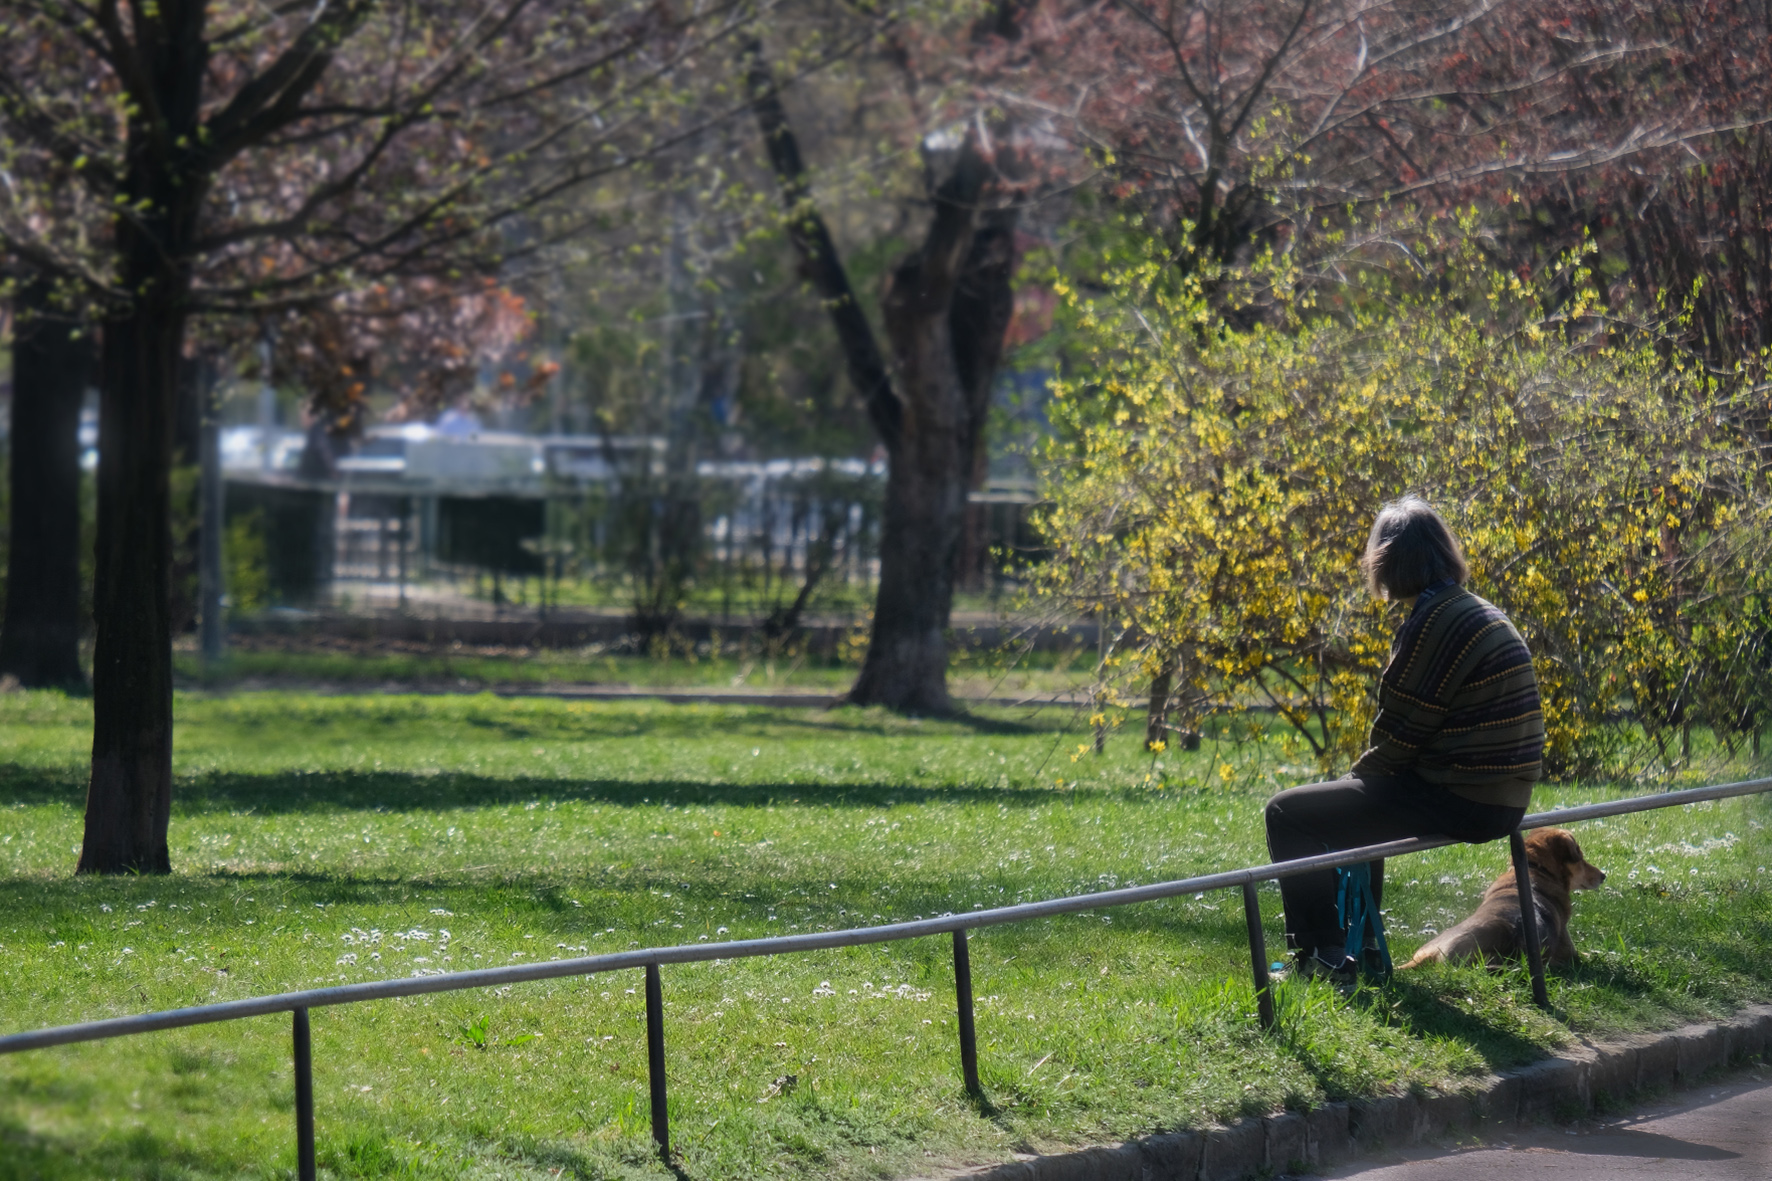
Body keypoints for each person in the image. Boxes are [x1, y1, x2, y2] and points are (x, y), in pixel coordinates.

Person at [1265, 496, 1545, 981]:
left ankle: (1321, 957)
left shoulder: (1432, 624)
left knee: (1287, 813)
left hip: (1467, 800)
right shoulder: (1474, 610)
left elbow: (1400, 736)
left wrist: (1351, 782)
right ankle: (1363, 948)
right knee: (1361, 802)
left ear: (1388, 562)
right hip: (1505, 799)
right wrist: (1357, 785)